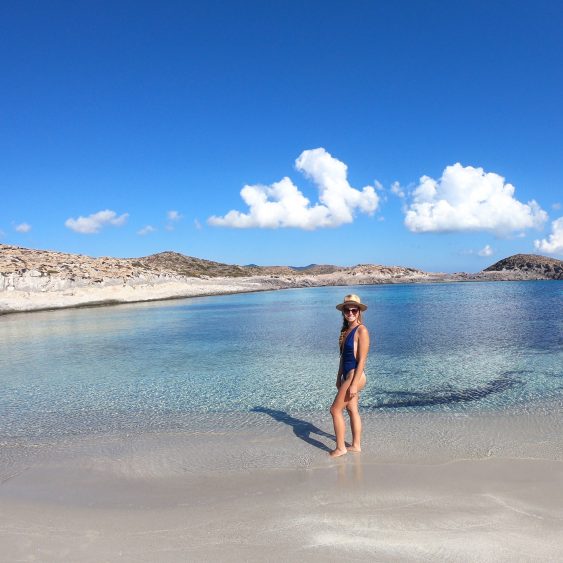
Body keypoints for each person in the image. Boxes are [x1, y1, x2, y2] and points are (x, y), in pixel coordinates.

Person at [329, 294, 370, 457]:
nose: (350, 313)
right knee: (352, 409)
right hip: (347, 376)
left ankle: (340, 448)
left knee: (334, 410)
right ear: (343, 312)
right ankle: (356, 445)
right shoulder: (346, 331)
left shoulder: (362, 330)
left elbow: (362, 360)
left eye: (354, 310)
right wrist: (339, 377)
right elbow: (343, 358)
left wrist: (353, 383)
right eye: (347, 310)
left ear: (359, 311)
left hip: (355, 376)